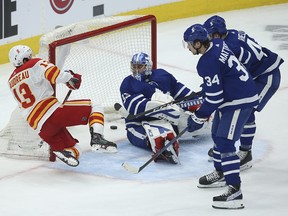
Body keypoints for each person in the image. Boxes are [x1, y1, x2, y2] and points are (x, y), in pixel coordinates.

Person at [183, 24, 259, 209]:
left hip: (239, 100)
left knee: (225, 142)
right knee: (217, 135)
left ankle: (235, 191)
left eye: (190, 44)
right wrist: (208, 88)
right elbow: (222, 75)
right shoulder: (217, 43)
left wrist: (198, 117)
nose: (188, 48)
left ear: (199, 44)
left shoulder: (205, 62)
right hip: (234, 94)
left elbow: (215, 97)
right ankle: (221, 172)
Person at [8, 45, 117, 167]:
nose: (31, 57)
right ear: (25, 58)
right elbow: (55, 75)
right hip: (51, 113)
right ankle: (97, 138)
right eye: (29, 55)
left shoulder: (11, 81)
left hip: (40, 127)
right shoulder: (34, 63)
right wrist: (71, 78)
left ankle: (63, 152)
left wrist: (68, 80)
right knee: (94, 107)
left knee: (75, 150)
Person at [203, 15, 283, 170]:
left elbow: (240, 76)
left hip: (266, 77)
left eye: (209, 35)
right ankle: (224, 147)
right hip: (257, 74)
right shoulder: (231, 35)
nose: (207, 39)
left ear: (217, 35)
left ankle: (245, 154)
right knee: (240, 107)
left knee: (246, 109)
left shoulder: (231, 47)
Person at [119, 52, 208, 164]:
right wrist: (159, 106)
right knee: (135, 135)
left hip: (166, 120)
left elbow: (179, 90)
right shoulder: (128, 83)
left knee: (198, 122)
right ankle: (160, 146)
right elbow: (135, 107)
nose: (136, 70)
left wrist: (196, 101)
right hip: (139, 122)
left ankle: (167, 142)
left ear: (147, 66)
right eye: (134, 66)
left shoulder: (162, 75)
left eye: (139, 66)